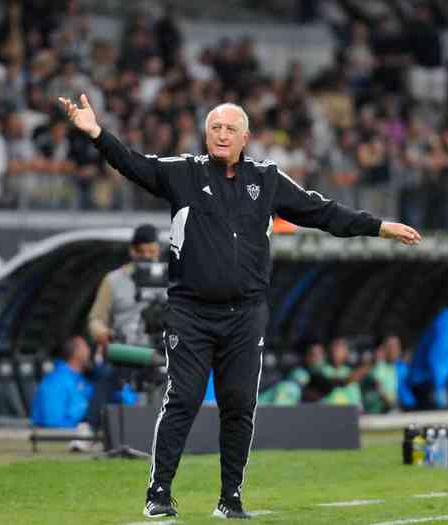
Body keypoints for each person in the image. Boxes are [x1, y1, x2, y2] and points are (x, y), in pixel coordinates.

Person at [59, 93, 421, 519]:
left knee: (238, 404)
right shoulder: (183, 173)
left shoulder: (266, 179)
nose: (222, 134)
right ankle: (158, 493)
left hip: (246, 314)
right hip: (190, 310)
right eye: (215, 127)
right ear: (206, 134)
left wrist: (379, 227)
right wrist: (97, 134)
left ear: (245, 137)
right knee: (184, 397)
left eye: (231, 129)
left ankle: (230, 499)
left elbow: (320, 212)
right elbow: (134, 164)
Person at [88, 223, 163, 351]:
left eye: (151, 251)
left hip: (159, 354)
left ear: (158, 251)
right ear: (132, 251)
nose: (146, 256)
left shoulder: (169, 279)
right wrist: (103, 333)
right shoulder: (114, 280)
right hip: (125, 352)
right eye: (141, 251)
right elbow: (96, 319)